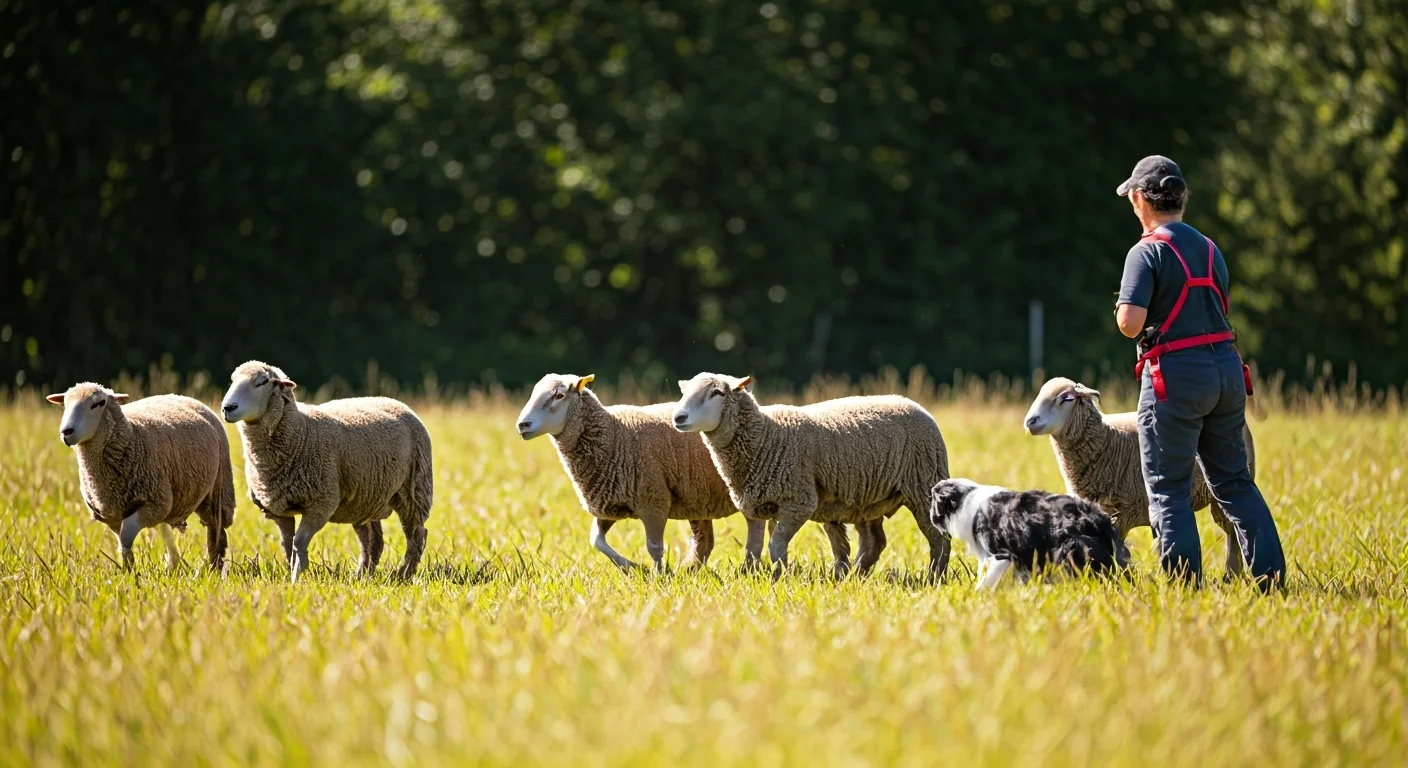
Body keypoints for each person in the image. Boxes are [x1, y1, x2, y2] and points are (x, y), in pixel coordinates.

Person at [1112, 155, 1286, 590]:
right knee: (1233, 481)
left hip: (1176, 378)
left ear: (1138, 199)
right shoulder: (1210, 248)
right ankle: (1272, 578)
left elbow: (1131, 322)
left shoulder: (1146, 250)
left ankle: (1184, 588)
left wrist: (1123, 309)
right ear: (1182, 198)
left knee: (1168, 487)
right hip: (1227, 372)